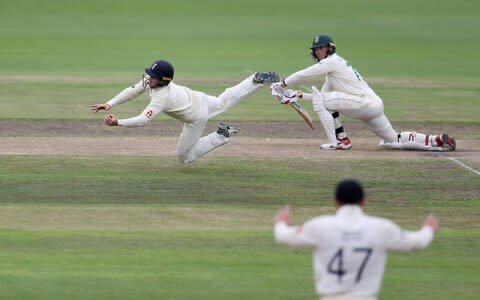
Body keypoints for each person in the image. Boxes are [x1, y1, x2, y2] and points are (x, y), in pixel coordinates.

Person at [271, 34, 456, 151]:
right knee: (393, 140)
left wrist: (282, 84)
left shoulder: (332, 61)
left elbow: (305, 74)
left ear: (330, 48)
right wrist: (299, 95)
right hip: (372, 104)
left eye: (321, 48)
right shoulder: (333, 71)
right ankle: (437, 140)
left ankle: (340, 141)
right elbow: (321, 97)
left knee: (325, 102)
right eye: (316, 49)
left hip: (363, 103)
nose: (318, 51)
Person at [274, 179, 440, 300]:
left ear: (336, 202)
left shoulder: (319, 226)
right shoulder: (381, 228)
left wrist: (281, 222)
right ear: (363, 201)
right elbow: (417, 242)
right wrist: (428, 229)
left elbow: (283, 237)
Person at [91, 59, 279, 164]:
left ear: (163, 80)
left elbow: (143, 120)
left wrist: (119, 122)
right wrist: (110, 103)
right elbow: (132, 92)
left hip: (196, 116)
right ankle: (255, 80)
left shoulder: (161, 97)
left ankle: (221, 134)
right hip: (199, 98)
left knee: (184, 158)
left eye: (154, 77)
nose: (149, 79)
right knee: (223, 101)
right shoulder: (152, 81)